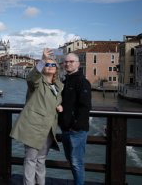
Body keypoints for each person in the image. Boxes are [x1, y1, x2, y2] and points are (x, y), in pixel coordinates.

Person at [10, 49, 63, 185]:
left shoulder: (58, 86)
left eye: (53, 65)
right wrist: (43, 59)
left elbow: (54, 101)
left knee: (41, 160)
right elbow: (31, 77)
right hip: (34, 126)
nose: (50, 67)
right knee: (30, 159)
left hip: (48, 128)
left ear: (56, 69)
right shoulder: (38, 83)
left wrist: (60, 106)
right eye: (47, 65)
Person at [59, 53, 92, 185]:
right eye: (66, 62)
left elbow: (85, 106)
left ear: (78, 64)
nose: (68, 64)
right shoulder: (66, 81)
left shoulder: (82, 82)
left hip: (76, 130)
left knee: (76, 162)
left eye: (71, 61)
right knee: (71, 160)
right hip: (66, 128)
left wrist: (75, 126)